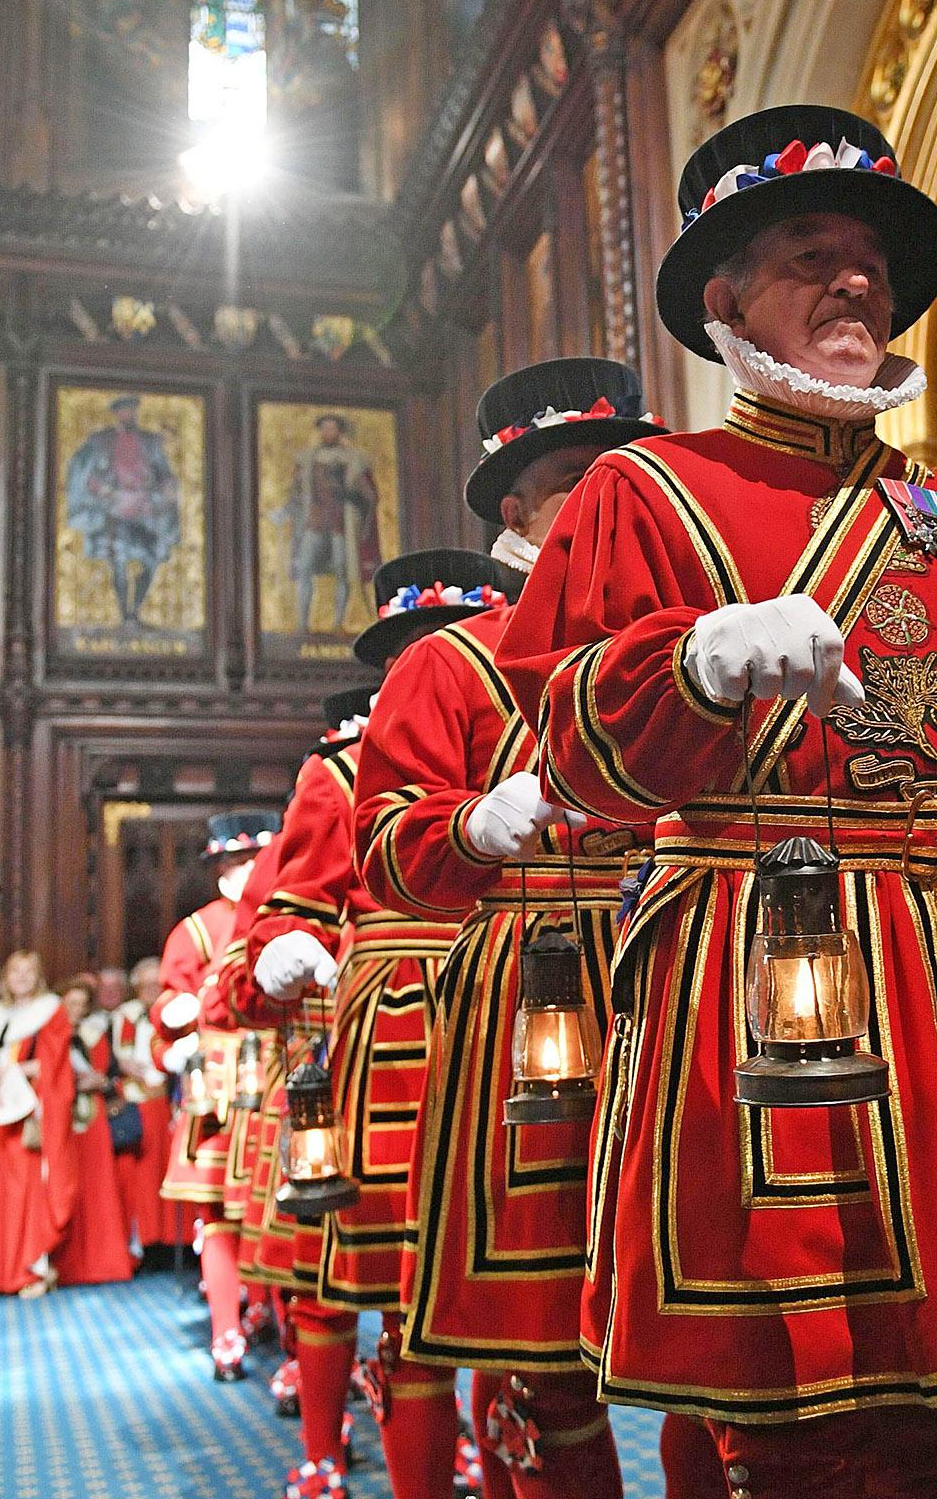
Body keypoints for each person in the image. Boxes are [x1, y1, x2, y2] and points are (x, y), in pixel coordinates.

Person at [496, 105, 937, 1498]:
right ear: (725, 304)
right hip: (756, 973)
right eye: (811, 253)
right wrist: (695, 666)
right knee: (789, 1396)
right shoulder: (642, 491)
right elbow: (567, 743)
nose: (854, 283)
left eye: (871, 262)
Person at [351, 371, 659, 1499]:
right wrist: (472, 822)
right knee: (547, 1348)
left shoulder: (682, 639)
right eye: (572, 483)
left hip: (686, 967)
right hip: (534, 996)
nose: (602, 502)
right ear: (514, 517)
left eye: (618, 479)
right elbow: (381, 847)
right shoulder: (448, 660)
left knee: (722, 1334)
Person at [250, 554, 508, 1499]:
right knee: (411, 1285)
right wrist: (286, 945)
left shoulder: (533, 732)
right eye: (417, 651)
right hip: (398, 1027)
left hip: (525, 996)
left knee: (522, 1295)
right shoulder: (342, 767)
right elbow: (296, 901)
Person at [156, 813, 278, 1377]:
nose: (241, 873)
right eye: (231, 864)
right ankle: (226, 1328)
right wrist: (172, 1024)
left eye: (251, 861)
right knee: (219, 1214)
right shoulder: (197, 928)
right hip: (217, 1093)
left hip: (276, 1077)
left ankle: (274, 1315)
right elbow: (166, 1003)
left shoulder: (285, 917)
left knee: (283, 1208)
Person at [0, 951, 77, 1296]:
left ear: (39, 975)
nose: (22, 977)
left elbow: (53, 1065)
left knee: (27, 1192)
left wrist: (11, 1073)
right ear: (7, 976)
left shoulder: (50, 1011)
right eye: (15, 970)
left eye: (29, 971)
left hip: (27, 1112)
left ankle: (32, 1269)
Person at [64, 392, 180, 627]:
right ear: (117, 414)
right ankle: (123, 614)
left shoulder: (150, 441)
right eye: (124, 411)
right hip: (115, 509)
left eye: (132, 411)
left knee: (151, 560)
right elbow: (86, 473)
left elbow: (164, 473)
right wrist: (106, 492)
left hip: (145, 508)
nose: (129, 415)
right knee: (118, 560)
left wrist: (166, 489)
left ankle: (135, 610)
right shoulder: (101, 441)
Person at [52, 972, 133, 1285]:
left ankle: (103, 1262)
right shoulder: (48, 1035)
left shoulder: (93, 1034)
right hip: (64, 1121)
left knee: (98, 1191)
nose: (74, 1009)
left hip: (94, 1120)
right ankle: (69, 1266)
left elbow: (113, 1074)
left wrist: (101, 1082)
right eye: (69, 1003)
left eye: (80, 1004)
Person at [282, 412, 381, 634]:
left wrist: (351, 494)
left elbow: (369, 495)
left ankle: (338, 623)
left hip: (341, 523)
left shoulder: (354, 460)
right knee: (305, 567)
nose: (328, 433)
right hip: (316, 520)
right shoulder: (307, 460)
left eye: (332, 428)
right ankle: (302, 624)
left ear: (340, 431)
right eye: (324, 428)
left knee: (342, 570)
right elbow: (295, 492)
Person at [114, 953, 180, 1268]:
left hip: (165, 1103)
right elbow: (122, 1057)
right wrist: (147, 1076)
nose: (153, 988)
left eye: (158, 982)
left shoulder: (171, 1011)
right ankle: (147, 1245)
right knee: (142, 1179)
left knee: (168, 1173)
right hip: (138, 1102)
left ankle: (171, 1243)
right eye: (147, 983)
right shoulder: (126, 1015)